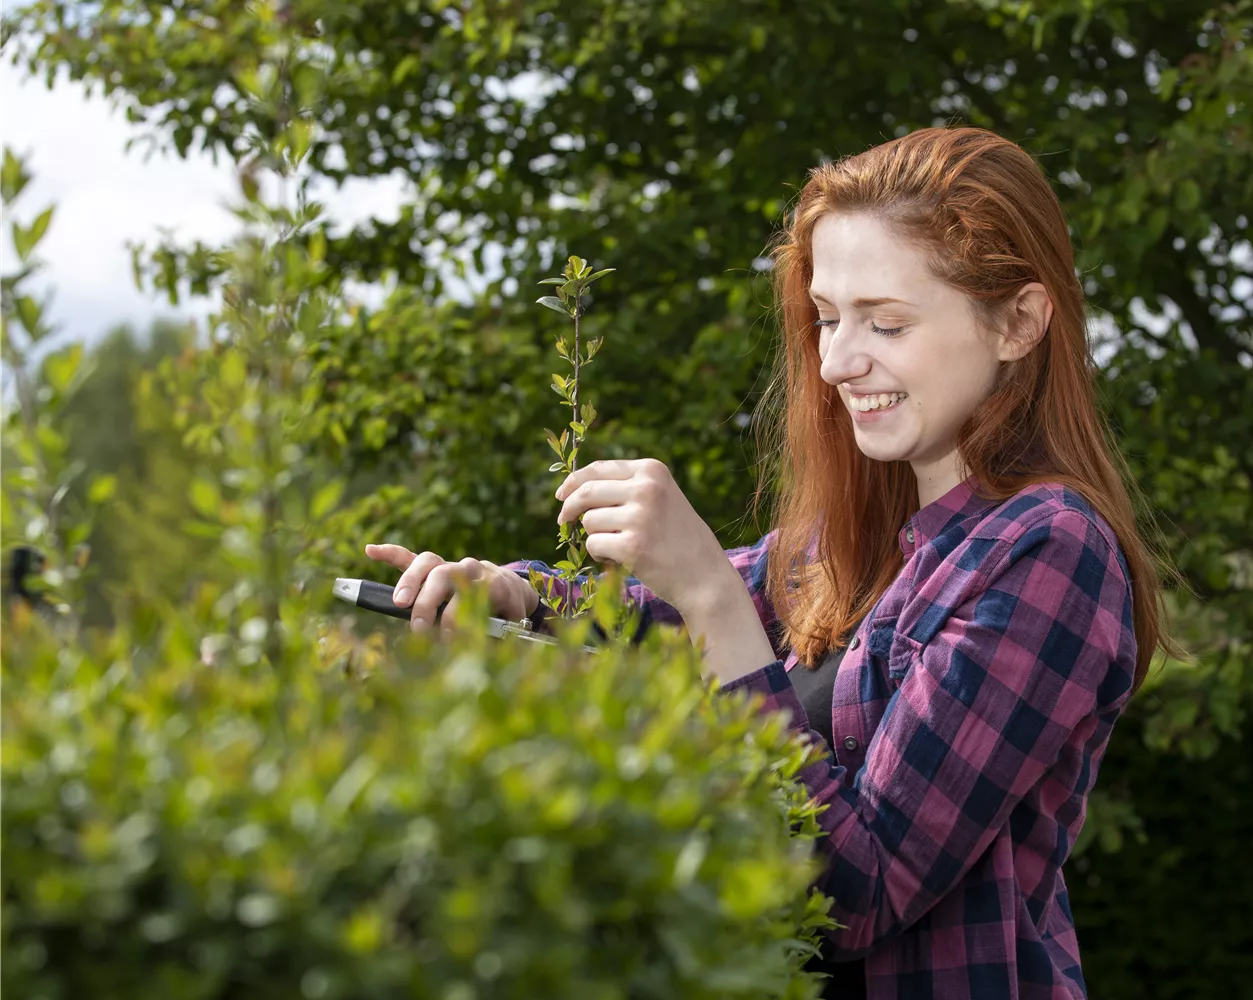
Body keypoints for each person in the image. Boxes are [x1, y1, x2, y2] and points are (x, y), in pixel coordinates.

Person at [366, 125, 1179, 1000]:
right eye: (828, 318)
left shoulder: (1047, 550)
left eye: (887, 322)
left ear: (1017, 322)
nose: (836, 361)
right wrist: (515, 595)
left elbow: (857, 892)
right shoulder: (854, 541)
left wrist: (713, 595)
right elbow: (649, 620)